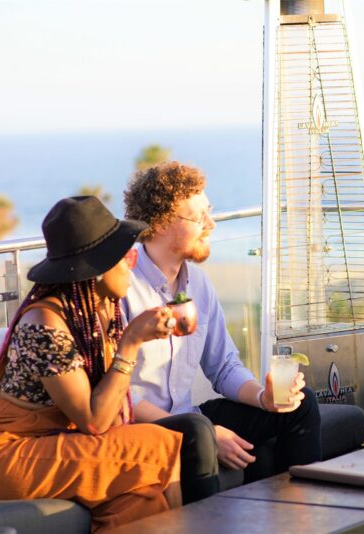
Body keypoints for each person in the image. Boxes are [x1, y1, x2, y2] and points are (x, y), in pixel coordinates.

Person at [0, 196, 183, 532]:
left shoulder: (97, 314)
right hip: (1, 456)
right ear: (100, 268)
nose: (132, 267)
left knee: (141, 498)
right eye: (128, 258)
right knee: (157, 445)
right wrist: (131, 343)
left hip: (51, 443)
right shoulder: (43, 324)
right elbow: (94, 421)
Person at [122, 161, 321, 484]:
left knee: (300, 406)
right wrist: (206, 433)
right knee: (200, 433)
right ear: (159, 224)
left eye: (208, 211)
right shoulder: (122, 288)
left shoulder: (198, 285)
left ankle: (307, 520)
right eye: (198, 217)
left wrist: (263, 398)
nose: (211, 224)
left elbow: (224, 366)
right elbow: (121, 397)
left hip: (193, 418)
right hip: (145, 429)